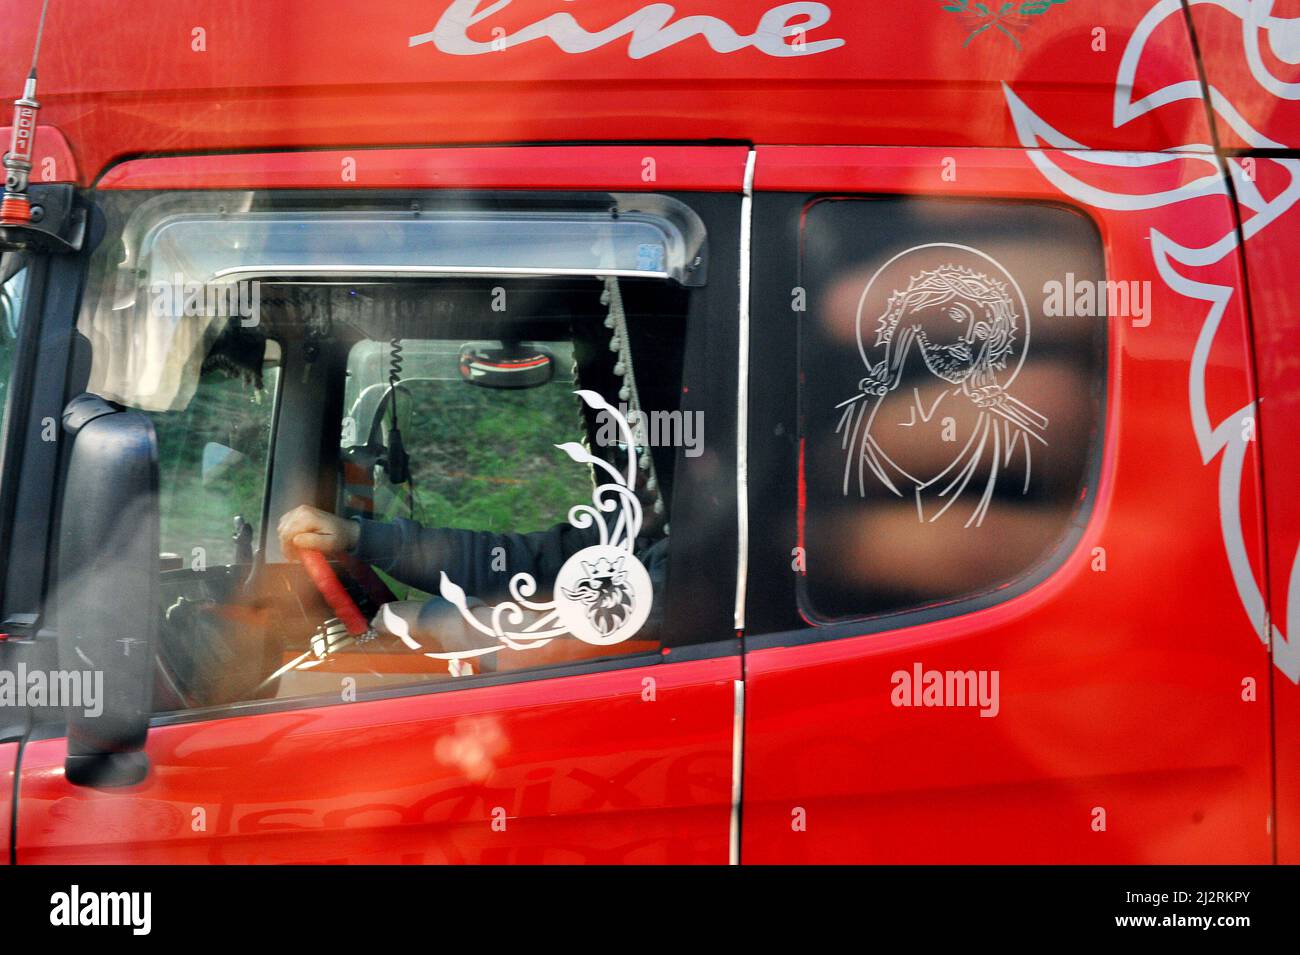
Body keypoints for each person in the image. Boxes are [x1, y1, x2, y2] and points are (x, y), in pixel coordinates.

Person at [276, 505, 668, 663]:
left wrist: (434, 620)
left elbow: (593, 635)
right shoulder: (654, 530)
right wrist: (364, 538)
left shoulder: (702, 561)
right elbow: (525, 565)